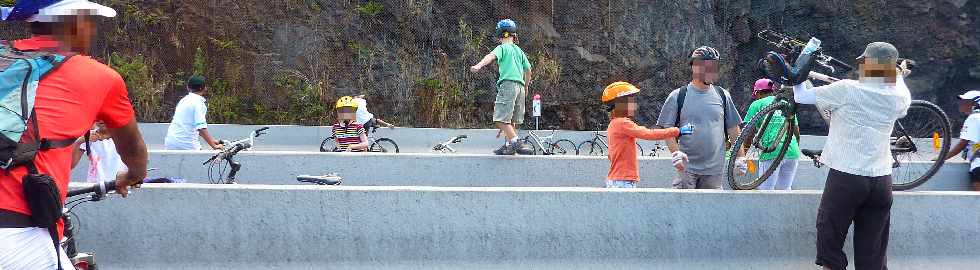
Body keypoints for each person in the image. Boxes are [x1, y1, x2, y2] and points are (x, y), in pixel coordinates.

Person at [0, 1, 149, 269]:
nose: (92, 31)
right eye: (91, 22)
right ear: (77, 22)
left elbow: (37, 149)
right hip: (19, 238)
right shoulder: (98, 76)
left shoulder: (4, 60)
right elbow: (133, 148)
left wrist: (80, 139)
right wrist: (132, 175)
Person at [792, 42, 912, 270]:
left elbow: (801, 97)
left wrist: (798, 72)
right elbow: (901, 87)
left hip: (848, 176)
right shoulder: (899, 96)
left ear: (868, 65)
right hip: (882, 181)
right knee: (873, 251)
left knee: (830, 236)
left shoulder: (848, 89)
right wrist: (898, 75)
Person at [656, 46, 742, 189]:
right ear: (695, 67)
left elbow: (733, 128)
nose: (711, 71)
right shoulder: (678, 96)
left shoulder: (723, 95)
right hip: (687, 168)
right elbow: (667, 130)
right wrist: (675, 153)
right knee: (684, 208)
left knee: (710, 210)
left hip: (714, 170)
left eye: (714, 66)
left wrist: (740, 157)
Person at [603, 82, 690, 188]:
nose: (634, 105)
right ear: (620, 104)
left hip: (617, 178)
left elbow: (610, 155)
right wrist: (678, 131)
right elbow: (649, 134)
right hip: (623, 180)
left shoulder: (613, 124)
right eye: (631, 101)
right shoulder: (622, 123)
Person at [469, 19, 534, 155]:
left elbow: (490, 56)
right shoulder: (519, 51)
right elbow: (528, 71)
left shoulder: (502, 48)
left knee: (500, 119)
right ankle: (508, 145)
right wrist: (526, 86)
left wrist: (479, 65)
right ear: (513, 34)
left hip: (508, 85)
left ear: (500, 35)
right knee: (511, 120)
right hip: (520, 87)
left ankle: (516, 142)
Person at [741, 78, 800, 190]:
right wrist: (794, 148)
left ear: (757, 93)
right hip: (792, 151)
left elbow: (748, 133)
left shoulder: (757, 104)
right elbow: (796, 130)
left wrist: (743, 154)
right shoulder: (785, 103)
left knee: (765, 191)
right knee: (784, 191)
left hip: (771, 152)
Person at [164, 74, 223, 150]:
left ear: (188, 87)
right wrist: (214, 146)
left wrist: (212, 141)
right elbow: (201, 128)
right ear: (204, 88)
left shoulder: (184, 100)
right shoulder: (198, 103)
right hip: (187, 145)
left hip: (170, 143)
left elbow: (192, 126)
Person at [941, 90, 980, 191]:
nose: (961, 103)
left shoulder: (974, 118)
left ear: (975, 104)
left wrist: (943, 158)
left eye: (965, 101)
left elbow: (963, 144)